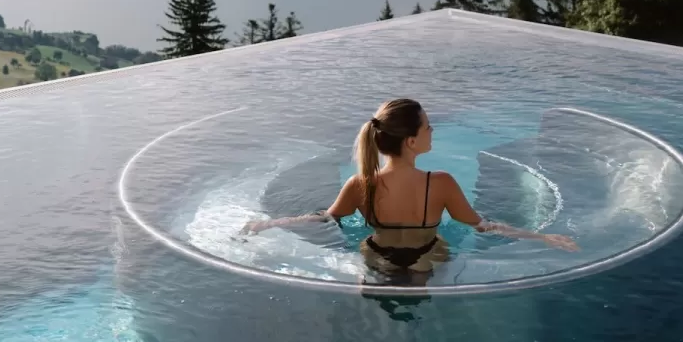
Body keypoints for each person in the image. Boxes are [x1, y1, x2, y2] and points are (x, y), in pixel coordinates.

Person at [242, 97, 578, 276]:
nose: (433, 132)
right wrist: (541, 237)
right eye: (429, 128)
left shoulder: (361, 184)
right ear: (412, 141)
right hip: (429, 256)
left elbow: (323, 218)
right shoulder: (441, 183)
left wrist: (270, 224)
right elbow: (483, 225)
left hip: (376, 257)